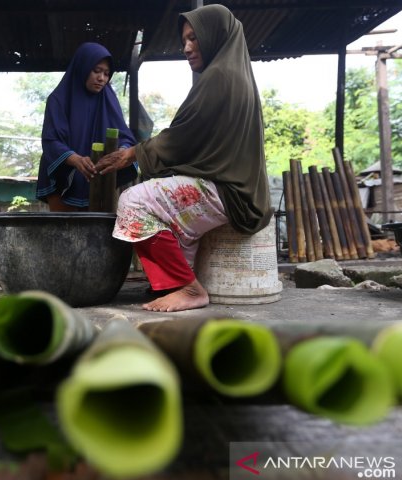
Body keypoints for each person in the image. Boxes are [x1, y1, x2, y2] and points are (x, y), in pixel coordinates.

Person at [95, 4, 272, 312]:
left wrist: (135, 153)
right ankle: (177, 283)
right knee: (167, 207)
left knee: (133, 202)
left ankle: (189, 289)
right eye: (185, 40)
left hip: (228, 191)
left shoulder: (219, 77)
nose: (187, 48)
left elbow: (183, 137)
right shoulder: (234, 74)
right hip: (238, 189)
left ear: (214, 35)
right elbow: (198, 139)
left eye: (194, 38)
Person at [36, 42, 137, 211]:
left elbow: (125, 136)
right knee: (63, 233)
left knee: (96, 232)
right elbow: (51, 140)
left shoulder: (109, 100)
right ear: (82, 67)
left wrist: (123, 150)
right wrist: (76, 159)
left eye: (106, 73)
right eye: (96, 71)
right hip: (63, 175)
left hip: (97, 178)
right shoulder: (58, 99)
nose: (101, 78)